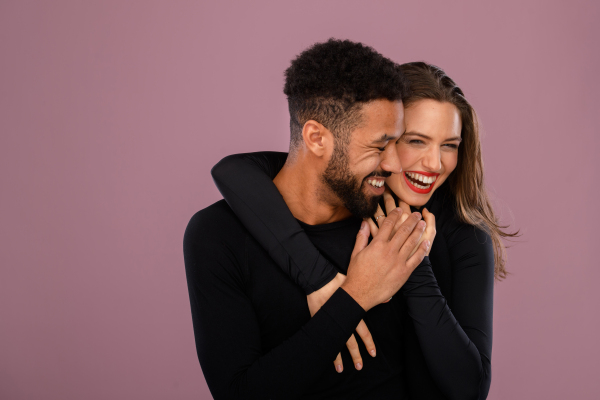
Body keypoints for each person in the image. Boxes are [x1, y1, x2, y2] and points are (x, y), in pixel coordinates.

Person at [210, 62, 517, 399]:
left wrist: (411, 259)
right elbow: (234, 170)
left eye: (449, 145)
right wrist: (321, 279)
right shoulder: (345, 201)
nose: (434, 164)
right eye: (415, 141)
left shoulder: (464, 236)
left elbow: (469, 389)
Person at [184, 39, 432, 400]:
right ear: (317, 138)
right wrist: (355, 297)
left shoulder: (390, 221)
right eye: (379, 147)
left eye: (397, 143)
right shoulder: (217, 235)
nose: (395, 165)